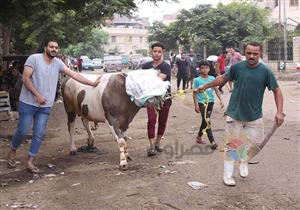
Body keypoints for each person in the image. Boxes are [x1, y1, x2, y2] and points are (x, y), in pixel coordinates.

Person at [195, 42, 285, 186]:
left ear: (259, 54)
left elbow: (277, 91)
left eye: (255, 54)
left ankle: (244, 160)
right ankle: (228, 176)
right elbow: (222, 78)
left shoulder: (265, 71)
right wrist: (205, 86)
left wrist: (279, 112)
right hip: (234, 113)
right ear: (245, 53)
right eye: (249, 53)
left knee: (255, 143)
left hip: (254, 115)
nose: (251, 56)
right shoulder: (237, 67)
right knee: (232, 145)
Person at [7, 39, 101, 173]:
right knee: (23, 130)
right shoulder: (34, 59)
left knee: (39, 133)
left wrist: (91, 83)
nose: (54, 49)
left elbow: (74, 74)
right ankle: (12, 150)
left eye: (56, 48)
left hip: (45, 106)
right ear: (45, 48)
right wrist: (37, 95)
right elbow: (25, 78)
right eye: (51, 47)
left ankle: (30, 161)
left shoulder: (57, 63)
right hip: (28, 103)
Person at [142, 42, 172, 156]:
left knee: (162, 122)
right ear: (152, 52)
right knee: (151, 120)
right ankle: (151, 146)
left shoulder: (165, 66)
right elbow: (141, 81)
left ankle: (157, 143)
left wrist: (147, 81)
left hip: (165, 98)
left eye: (159, 52)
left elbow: (158, 80)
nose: (157, 54)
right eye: (155, 51)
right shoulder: (146, 66)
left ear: (162, 53)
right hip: (151, 99)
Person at [193, 60, 223, 150]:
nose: (204, 70)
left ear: (209, 69)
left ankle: (199, 136)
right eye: (202, 68)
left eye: (206, 68)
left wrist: (221, 100)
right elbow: (194, 93)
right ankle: (212, 141)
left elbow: (216, 90)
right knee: (207, 120)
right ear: (200, 69)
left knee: (205, 120)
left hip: (210, 102)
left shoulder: (212, 79)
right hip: (202, 102)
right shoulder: (197, 80)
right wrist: (196, 105)